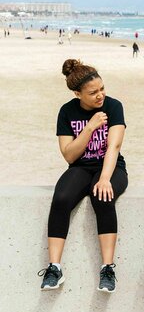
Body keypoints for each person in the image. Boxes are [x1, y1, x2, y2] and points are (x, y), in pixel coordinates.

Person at [39, 59, 128, 293]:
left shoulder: (114, 106)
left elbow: (114, 147)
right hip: (80, 167)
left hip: (111, 167)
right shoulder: (67, 111)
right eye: (93, 93)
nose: (100, 95)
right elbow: (69, 155)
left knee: (102, 197)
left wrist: (105, 178)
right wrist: (89, 128)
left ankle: (107, 269)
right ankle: (54, 268)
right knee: (61, 199)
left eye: (102, 89)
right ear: (78, 93)